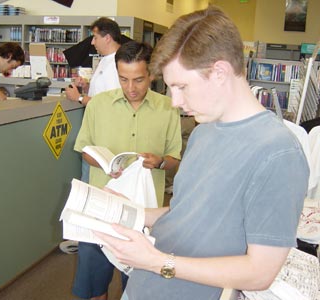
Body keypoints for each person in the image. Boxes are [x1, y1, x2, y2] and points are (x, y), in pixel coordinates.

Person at [95, 6, 310, 300]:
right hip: (144, 287)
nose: (174, 102)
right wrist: (132, 213)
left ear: (220, 72)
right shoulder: (204, 129)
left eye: (182, 86)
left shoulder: (278, 152)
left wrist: (158, 262)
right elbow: (189, 214)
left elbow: (260, 272)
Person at [72, 40, 182, 300]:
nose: (130, 88)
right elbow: (84, 150)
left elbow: (175, 159)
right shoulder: (98, 105)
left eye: (139, 80)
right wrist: (105, 163)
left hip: (143, 217)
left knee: (136, 289)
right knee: (94, 288)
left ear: (152, 75)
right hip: (101, 212)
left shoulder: (168, 108)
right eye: (123, 79)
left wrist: (161, 162)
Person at [65, 17, 122, 106]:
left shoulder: (117, 63)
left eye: (95, 38)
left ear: (107, 38)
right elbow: (100, 94)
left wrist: (79, 97)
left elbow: (110, 103)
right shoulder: (106, 59)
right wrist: (87, 87)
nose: (92, 42)